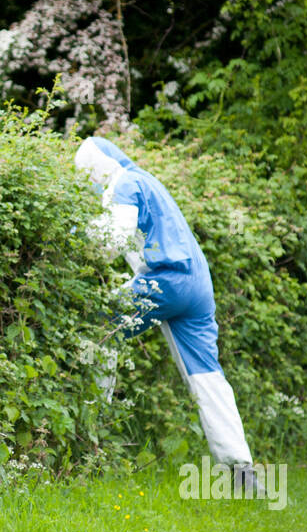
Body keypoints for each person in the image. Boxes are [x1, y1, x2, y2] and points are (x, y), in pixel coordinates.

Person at [73, 136, 263, 494]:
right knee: (207, 378)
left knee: (96, 328)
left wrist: (73, 236)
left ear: (96, 170)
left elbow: (113, 238)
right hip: (197, 285)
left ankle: (90, 440)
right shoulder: (147, 180)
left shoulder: (125, 184)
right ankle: (242, 474)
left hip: (165, 282)